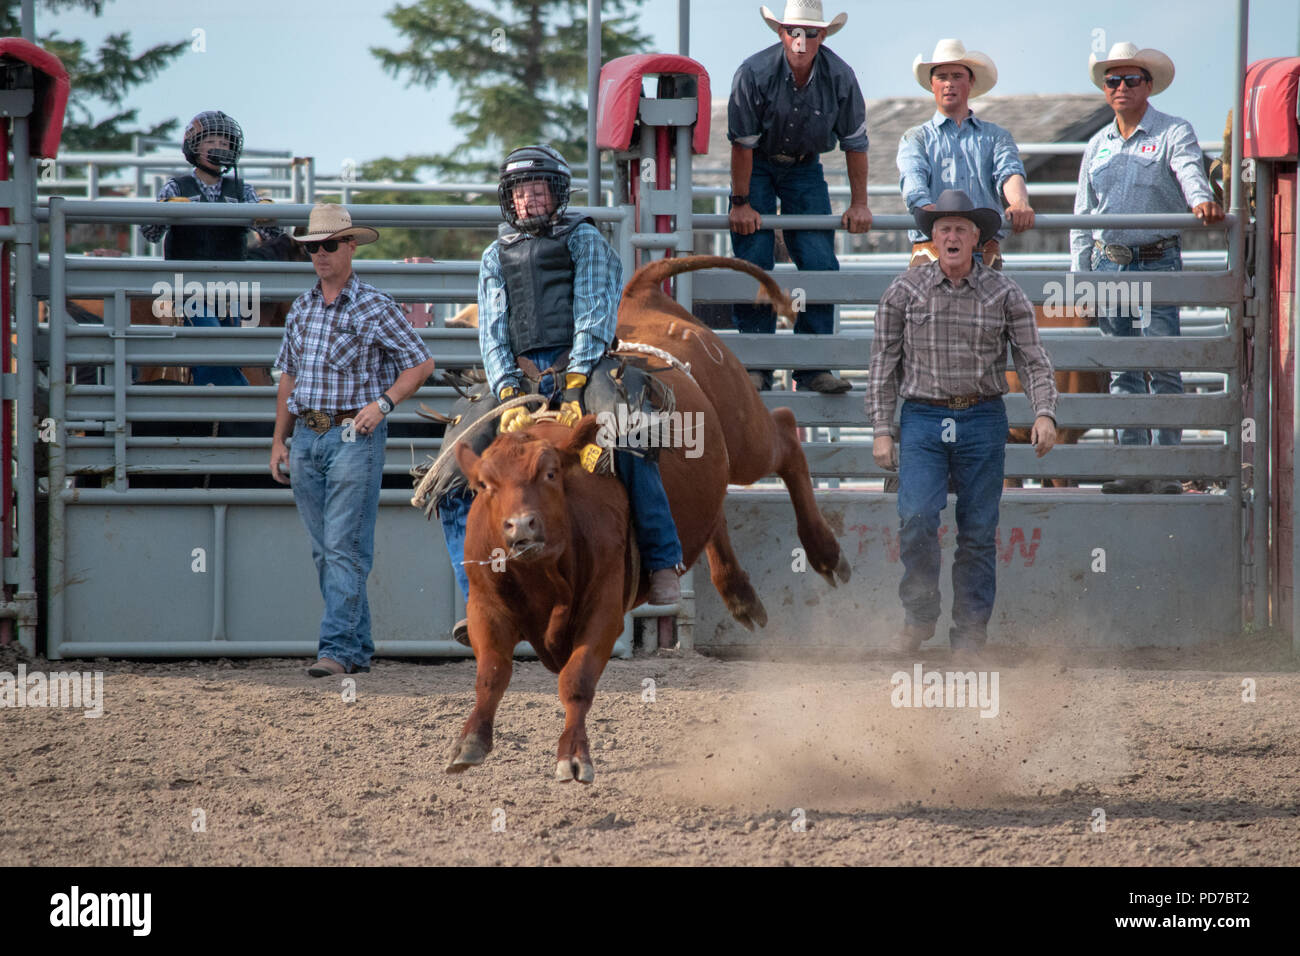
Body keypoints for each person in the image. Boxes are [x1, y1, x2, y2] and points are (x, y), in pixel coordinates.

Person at [437, 144, 684, 644]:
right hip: (519, 378)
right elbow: (493, 331)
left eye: (537, 190)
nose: (529, 200)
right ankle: (473, 590)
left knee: (629, 434)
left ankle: (661, 560)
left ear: (556, 194)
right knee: (448, 473)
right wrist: (506, 385)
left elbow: (595, 309)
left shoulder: (585, 238)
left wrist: (574, 381)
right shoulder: (494, 254)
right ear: (509, 200)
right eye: (520, 192)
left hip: (585, 366)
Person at [868, 190, 1058, 664]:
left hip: (981, 416)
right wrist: (881, 429)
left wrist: (1044, 412)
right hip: (924, 416)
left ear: (978, 239)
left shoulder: (1005, 293)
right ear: (932, 239)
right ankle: (918, 616)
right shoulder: (903, 291)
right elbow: (881, 365)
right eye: (943, 229)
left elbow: (1033, 360)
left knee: (977, 530)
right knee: (915, 517)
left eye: (961, 229)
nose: (951, 236)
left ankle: (970, 633)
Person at [270, 204, 435, 677]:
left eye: (328, 245)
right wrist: (279, 441)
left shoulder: (375, 305)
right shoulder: (302, 307)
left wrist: (382, 404)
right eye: (312, 247)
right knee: (332, 548)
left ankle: (337, 649)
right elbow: (289, 378)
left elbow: (420, 362)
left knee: (341, 546)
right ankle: (357, 646)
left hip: (350, 435)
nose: (319, 255)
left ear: (350, 247)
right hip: (306, 435)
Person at [1070, 43, 1225, 494]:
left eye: (1130, 80)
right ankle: (1135, 467)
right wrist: (1081, 277)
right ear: (1105, 90)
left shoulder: (1173, 131)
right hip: (1110, 263)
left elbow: (1187, 168)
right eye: (1113, 81)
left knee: (1163, 365)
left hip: (1157, 258)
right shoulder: (1096, 146)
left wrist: (1199, 198)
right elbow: (1083, 214)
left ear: (1148, 85)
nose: (1121, 88)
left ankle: (1167, 468)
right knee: (1122, 369)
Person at [727, 0, 871, 394]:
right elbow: (741, 147)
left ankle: (813, 364)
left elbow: (855, 144)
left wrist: (860, 202)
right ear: (781, 33)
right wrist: (741, 201)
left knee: (820, 261)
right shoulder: (753, 73)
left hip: (805, 165)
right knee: (754, 257)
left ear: (822, 36)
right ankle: (757, 363)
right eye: (795, 31)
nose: (802, 40)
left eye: (810, 33)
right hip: (756, 164)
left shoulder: (840, 76)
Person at [141, 110, 282, 387]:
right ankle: (239, 399)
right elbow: (150, 233)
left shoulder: (243, 190)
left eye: (226, 143)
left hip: (232, 290)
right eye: (211, 141)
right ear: (194, 145)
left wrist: (266, 215)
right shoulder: (176, 187)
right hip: (186, 286)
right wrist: (166, 212)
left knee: (229, 346)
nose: (220, 147)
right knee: (212, 341)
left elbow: (273, 234)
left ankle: (221, 404)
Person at [898, 39, 1034, 270]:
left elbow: (1009, 172)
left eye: (956, 76)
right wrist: (924, 207)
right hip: (932, 247)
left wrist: (1019, 202)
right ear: (932, 84)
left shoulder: (996, 136)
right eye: (942, 77)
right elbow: (913, 179)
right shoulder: (916, 138)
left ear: (970, 82)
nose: (949, 83)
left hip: (981, 247)